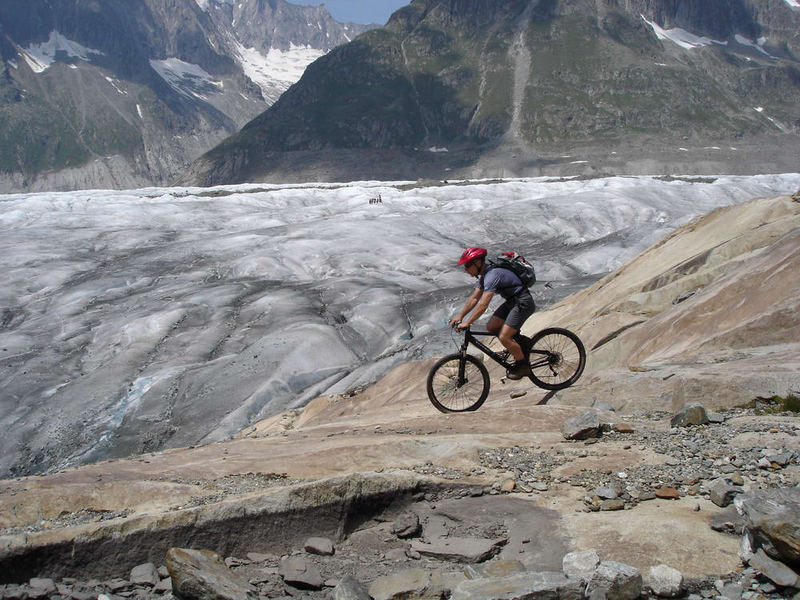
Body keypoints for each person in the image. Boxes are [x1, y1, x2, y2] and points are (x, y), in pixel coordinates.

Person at [448, 247, 536, 379]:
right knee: (492, 327)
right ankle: (522, 344)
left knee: (504, 337)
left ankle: (523, 366)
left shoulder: (492, 275)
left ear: (477, 263)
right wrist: (460, 316)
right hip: (512, 302)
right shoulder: (485, 276)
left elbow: (483, 304)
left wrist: (468, 322)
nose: (465, 269)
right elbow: (474, 299)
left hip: (523, 302)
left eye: (467, 265)